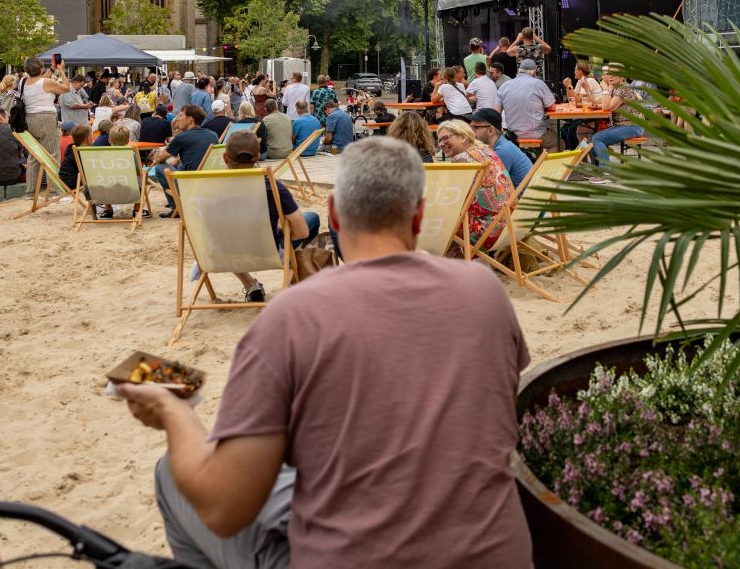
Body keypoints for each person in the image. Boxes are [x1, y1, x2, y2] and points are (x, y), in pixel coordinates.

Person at [118, 138, 532, 569]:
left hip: (352, 557)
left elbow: (224, 509)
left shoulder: (292, 317)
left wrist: (174, 412)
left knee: (171, 473)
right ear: (419, 215)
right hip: (491, 553)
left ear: (333, 214)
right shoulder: (483, 291)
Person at [219, 131, 323, 303]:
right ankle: (296, 273)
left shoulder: (209, 188)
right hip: (268, 253)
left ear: (225, 157)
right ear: (258, 156)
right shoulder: (273, 187)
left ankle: (251, 285)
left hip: (224, 255)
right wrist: (282, 231)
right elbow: (302, 232)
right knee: (312, 218)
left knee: (225, 237)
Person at [436, 119, 514, 250]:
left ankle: (450, 258)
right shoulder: (488, 152)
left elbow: (451, 201)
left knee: (436, 219)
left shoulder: (461, 160)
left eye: (445, 138)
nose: (441, 144)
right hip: (510, 225)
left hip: (487, 232)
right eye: (439, 140)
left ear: (463, 137)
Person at [18, 58, 71, 196]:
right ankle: (54, 190)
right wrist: (61, 71)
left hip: (29, 119)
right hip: (46, 117)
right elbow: (66, 88)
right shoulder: (46, 82)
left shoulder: (23, 81)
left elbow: (40, 81)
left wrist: (52, 69)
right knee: (52, 153)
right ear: (41, 68)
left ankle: (31, 191)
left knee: (34, 155)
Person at [151, 105, 216, 216]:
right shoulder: (212, 135)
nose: (178, 119)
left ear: (190, 120)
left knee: (160, 167)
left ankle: (176, 207)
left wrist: (161, 150)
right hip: (209, 183)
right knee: (177, 164)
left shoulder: (182, 137)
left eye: (181, 116)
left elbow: (158, 159)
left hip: (190, 184)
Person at [586, 64, 646, 179]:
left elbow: (606, 107)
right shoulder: (616, 88)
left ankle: (606, 173)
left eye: (614, 74)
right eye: (609, 73)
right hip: (624, 126)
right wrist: (597, 104)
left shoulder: (623, 89)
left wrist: (605, 89)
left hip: (632, 126)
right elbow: (602, 103)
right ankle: (597, 171)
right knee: (591, 138)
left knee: (597, 138)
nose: (610, 76)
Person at [497, 59, 555, 147]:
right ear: (534, 72)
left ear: (519, 70)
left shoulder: (505, 85)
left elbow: (495, 112)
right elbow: (552, 107)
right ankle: (540, 157)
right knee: (559, 143)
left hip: (512, 135)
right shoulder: (538, 83)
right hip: (536, 134)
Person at [470, 108, 531, 189]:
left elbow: (489, 185)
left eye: (475, 128)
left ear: (490, 131)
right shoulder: (501, 145)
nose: (471, 132)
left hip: (520, 197)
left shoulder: (502, 151)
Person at [59, 123, 93, 194]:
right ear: (88, 138)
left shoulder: (72, 148)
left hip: (65, 181)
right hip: (72, 183)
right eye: (91, 136)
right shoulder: (81, 152)